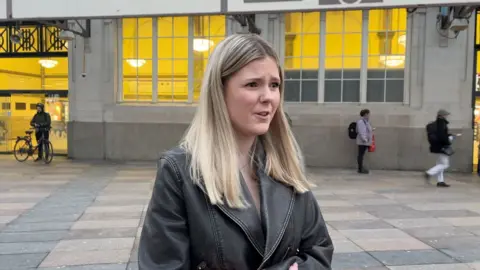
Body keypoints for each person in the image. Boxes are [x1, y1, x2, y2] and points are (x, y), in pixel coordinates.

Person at [138, 34, 333, 270]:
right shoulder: (180, 171)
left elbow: (319, 251)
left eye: (274, 85)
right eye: (253, 84)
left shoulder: (285, 164)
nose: (268, 97)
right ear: (219, 92)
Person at [425, 109, 458, 187]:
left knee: (440, 164)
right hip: (442, 146)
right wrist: (448, 141)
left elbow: (441, 134)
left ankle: (440, 181)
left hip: (438, 146)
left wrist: (449, 135)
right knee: (445, 165)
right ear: (441, 116)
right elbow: (442, 136)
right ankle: (429, 173)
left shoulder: (437, 123)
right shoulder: (441, 123)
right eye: (445, 115)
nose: (447, 116)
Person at [356, 109, 373, 174]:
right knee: (361, 155)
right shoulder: (361, 122)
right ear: (365, 114)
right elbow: (361, 132)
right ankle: (360, 168)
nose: (369, 115)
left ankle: (361, 168)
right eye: (368, 114)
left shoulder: (366, 121)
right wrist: (365, 140)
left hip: (365, 142)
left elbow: (367, 130)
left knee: (362, 155)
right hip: (362, 142)